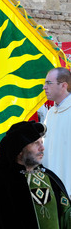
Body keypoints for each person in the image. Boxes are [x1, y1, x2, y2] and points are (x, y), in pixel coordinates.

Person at [43, 67, 71, 195]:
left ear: (63, 85)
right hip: (52, 187)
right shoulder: (50, 113)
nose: (44, 87)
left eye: (49, 83)